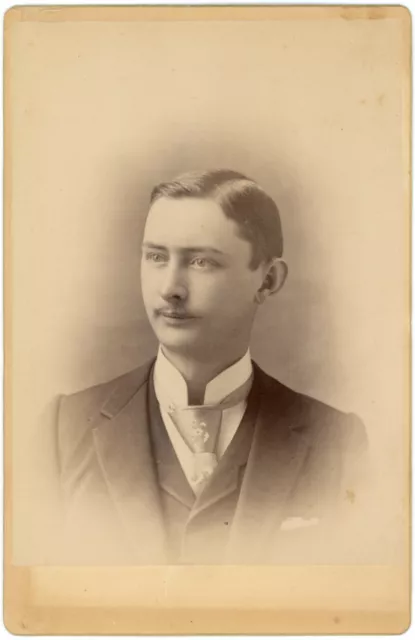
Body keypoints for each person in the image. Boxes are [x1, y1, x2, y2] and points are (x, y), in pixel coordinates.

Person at [57, 169, 368, 565]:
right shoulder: (63, 431)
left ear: (268, 280)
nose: (170, 287)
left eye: (202, 261)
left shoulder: (338, 444)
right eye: (155, 256)